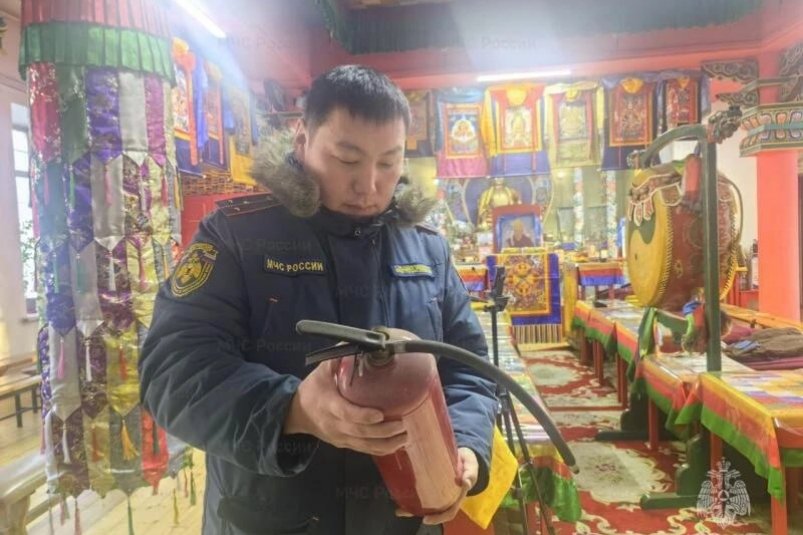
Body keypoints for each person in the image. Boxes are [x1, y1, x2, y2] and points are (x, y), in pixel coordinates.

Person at [139, 65, 497, 535]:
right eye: (347, 159)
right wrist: (293, 410)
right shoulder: (237, 238)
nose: (369, 185)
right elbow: (172, 371)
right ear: (302, 139)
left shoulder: (426, 249)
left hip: (401, 520)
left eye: (388, 163)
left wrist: (466, 444)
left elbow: (469, 368)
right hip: (268, 519)